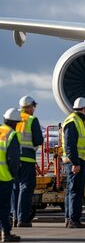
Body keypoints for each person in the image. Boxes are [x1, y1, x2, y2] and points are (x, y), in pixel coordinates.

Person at [12, 96, 43, 227]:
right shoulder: (31, 120)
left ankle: (14, 216)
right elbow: (38, 140)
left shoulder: (14, 119)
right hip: (27, 159)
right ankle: (23, 219)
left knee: (15, 189)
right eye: (33, 107)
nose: (34, 109)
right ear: (30, 107)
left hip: (13, 160)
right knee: (26, 188)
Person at [62, 97, 85, 228]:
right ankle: (74, 220)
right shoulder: (74, 121)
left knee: (71, 191)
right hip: (75, 161)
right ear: (84, 109)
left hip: (76, 160)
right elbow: (70, 145)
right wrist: (75, 163)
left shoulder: (75, 120)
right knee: (75, 191)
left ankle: (69, 218)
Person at [1, 108, 21, 242]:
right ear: (14, 123)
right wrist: (14, 174)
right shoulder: (11, 135)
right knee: (4, 206)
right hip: (4, 176)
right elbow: (13, 159)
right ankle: (6, 233)